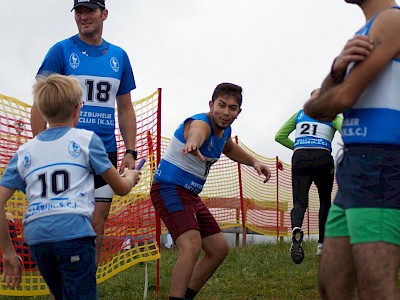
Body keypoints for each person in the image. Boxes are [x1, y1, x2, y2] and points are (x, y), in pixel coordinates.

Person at [0, 74, 141, 299]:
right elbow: (121, 187)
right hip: (74, 234)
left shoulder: (23, 152)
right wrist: (131, 176)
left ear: (43, 112)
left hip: (37, 241)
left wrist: (8, 251)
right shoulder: (87, 140)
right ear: (78, 109)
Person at [30, 0, 138, 266]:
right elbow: (39, 102)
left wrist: (130, 150)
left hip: (104, 152)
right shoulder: (61, 51)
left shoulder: (119, 56)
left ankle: (87, 285)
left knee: (96, 226)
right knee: (67, 226)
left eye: (90, 11)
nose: (83, 16)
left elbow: (124, 108)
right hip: (66, 152)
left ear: (104, 14)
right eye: (79, 11)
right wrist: (39, 145)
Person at [303, 0, 400, 298]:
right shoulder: (364, 31)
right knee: (332, 286)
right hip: (355, 166)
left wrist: (316, 102)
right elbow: (328, 98)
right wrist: (337, 67)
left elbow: (337, 99)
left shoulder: (392, 21)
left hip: (381, 165)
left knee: (375, 288)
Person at [150, 83, 272, 300]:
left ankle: (186, 296)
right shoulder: (201, 122)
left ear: (238, 112)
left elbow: (229, 148)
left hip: (190, 195)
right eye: (221, 105)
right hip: (169, 188)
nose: (225, 113)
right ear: (211, 104)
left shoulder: (225, 131)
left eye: (232, 108)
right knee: (191, 245)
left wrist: (254, 162)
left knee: (218, 249)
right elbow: (197, 133)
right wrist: (192, 143)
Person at [275, 89, 343, 264]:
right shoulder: (333, 115)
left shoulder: (299, 114)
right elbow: (345, 131)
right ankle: (322, 245)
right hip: (323, 157)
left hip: (300, 157)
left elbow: (279, 136)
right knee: (325, 201)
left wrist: (299, 146)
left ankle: (297, 229)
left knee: (299, 202)